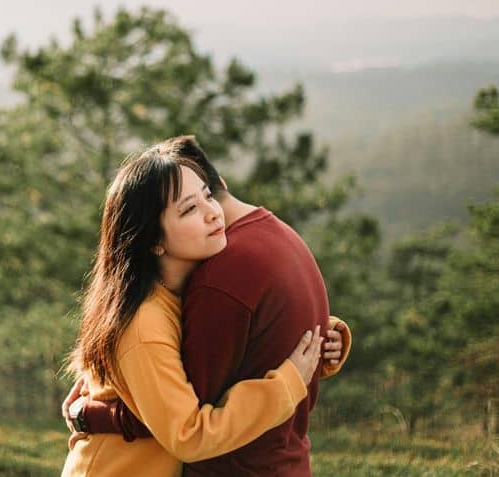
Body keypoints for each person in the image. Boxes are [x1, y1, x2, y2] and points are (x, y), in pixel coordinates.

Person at [65, 135, 352, 476]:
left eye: (206, 196)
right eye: (189, 209)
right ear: (154, 240)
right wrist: (286, 384)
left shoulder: (182, 293)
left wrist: (323, 337)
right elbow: (188, 433)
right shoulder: (145, 323)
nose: (213, 213)